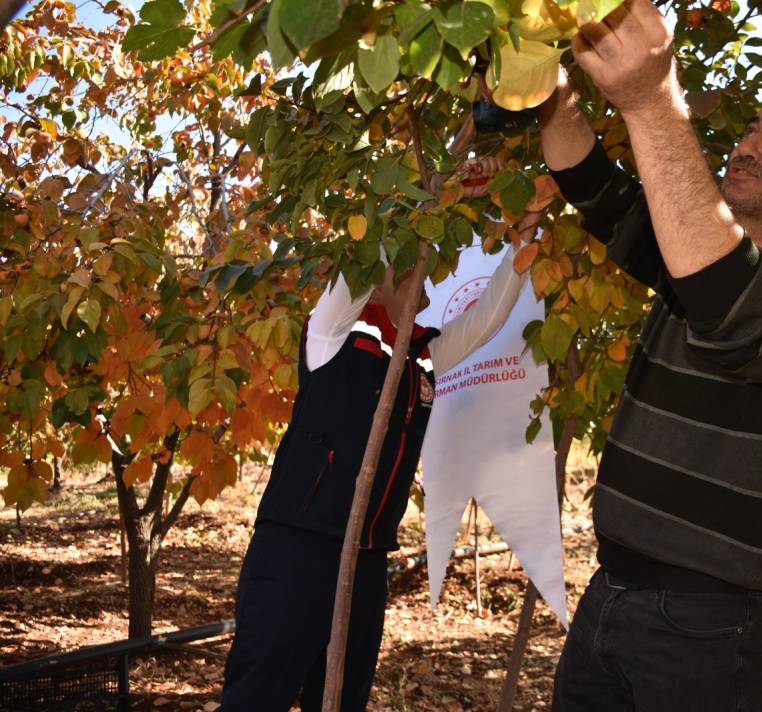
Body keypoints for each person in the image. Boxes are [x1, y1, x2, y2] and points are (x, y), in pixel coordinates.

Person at [534, 1, 762, 710]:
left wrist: (653, 102)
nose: (749, 144)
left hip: (711, 626)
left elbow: (742, 316)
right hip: (611, 594)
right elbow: (593, 183)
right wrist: (534, 78)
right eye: (752, 128)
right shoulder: (692, 256)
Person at [219, 157, 541, 711]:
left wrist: (526, 227)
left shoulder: (424, 355)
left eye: (428, 268)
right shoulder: (331, 334)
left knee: (341, 701)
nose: (424, 277)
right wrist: (430, 199)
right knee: (257, 698)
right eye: (409, 266)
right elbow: (359, 268)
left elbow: (488, 317)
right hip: (297, 551)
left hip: (367, 561)